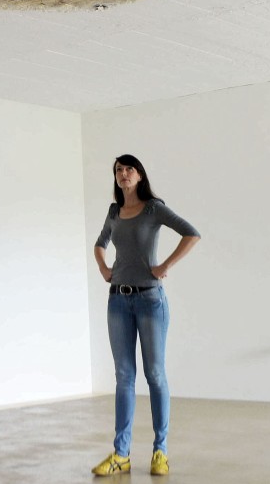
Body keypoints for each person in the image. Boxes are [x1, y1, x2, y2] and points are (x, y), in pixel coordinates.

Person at [91, 154, 201, 478]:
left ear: (139, 175)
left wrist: (165, 266)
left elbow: (191, 233)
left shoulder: (154, 208)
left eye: (129, 169)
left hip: (151, 300)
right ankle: (121, 454)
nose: (123, 174)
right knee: (124, 377)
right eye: (118, 170)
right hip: (118, 302)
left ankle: (160, 451)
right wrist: (103, 268)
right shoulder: (114, 211)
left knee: (154, 374)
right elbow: (99, 244)